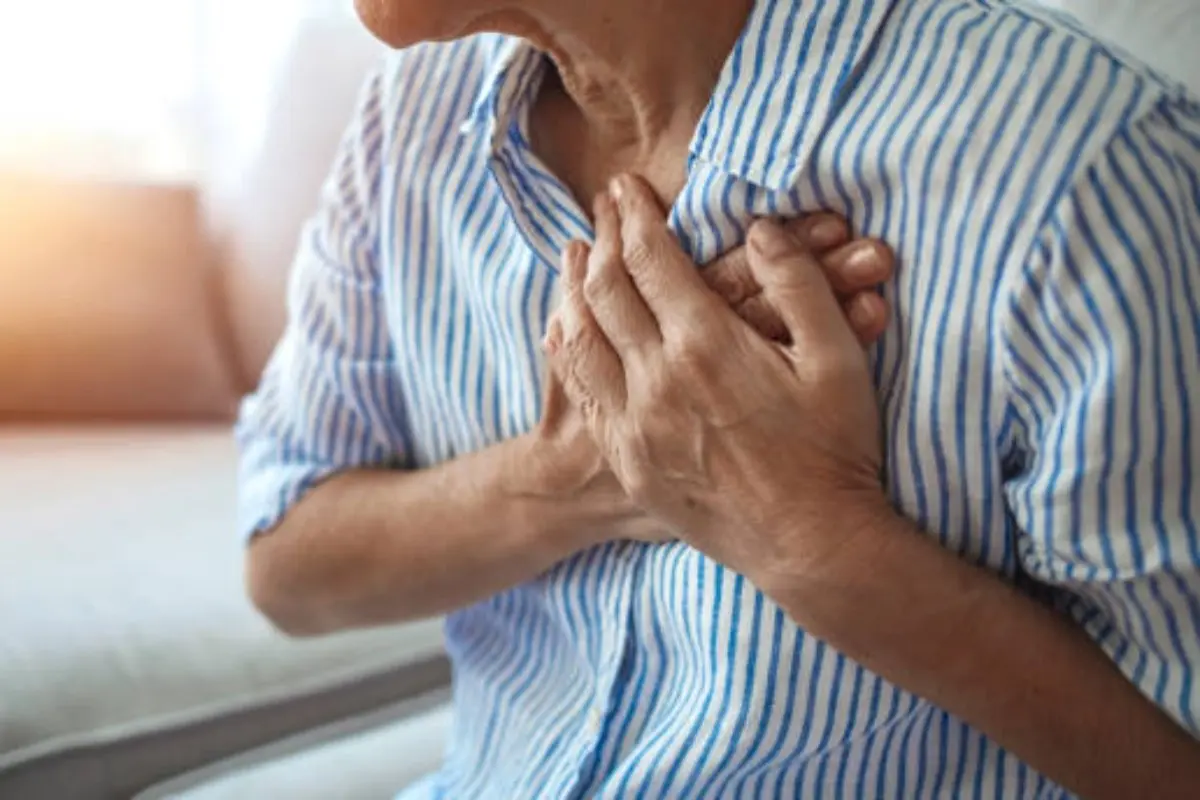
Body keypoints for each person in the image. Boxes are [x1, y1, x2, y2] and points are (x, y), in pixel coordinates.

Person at [237, 0, 1200, 796]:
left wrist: (817, 541)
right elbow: (288, 568)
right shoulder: (408, 116)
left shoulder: (1086, 172)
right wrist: (582, 472)